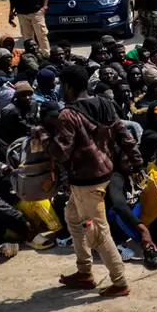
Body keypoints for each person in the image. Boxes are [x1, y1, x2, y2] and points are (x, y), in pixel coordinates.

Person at [42, 65, 143, 297]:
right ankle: (84, 272)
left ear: (67, 86)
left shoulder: (69, 115)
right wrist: (137, 164)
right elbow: (125, 136)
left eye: (61, 85)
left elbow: (60, 153)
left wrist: (45, 134)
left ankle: (119, 282)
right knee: (72, 217)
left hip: (86, 182)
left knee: (98, 232)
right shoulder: (105, 104)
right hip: (104, 173)